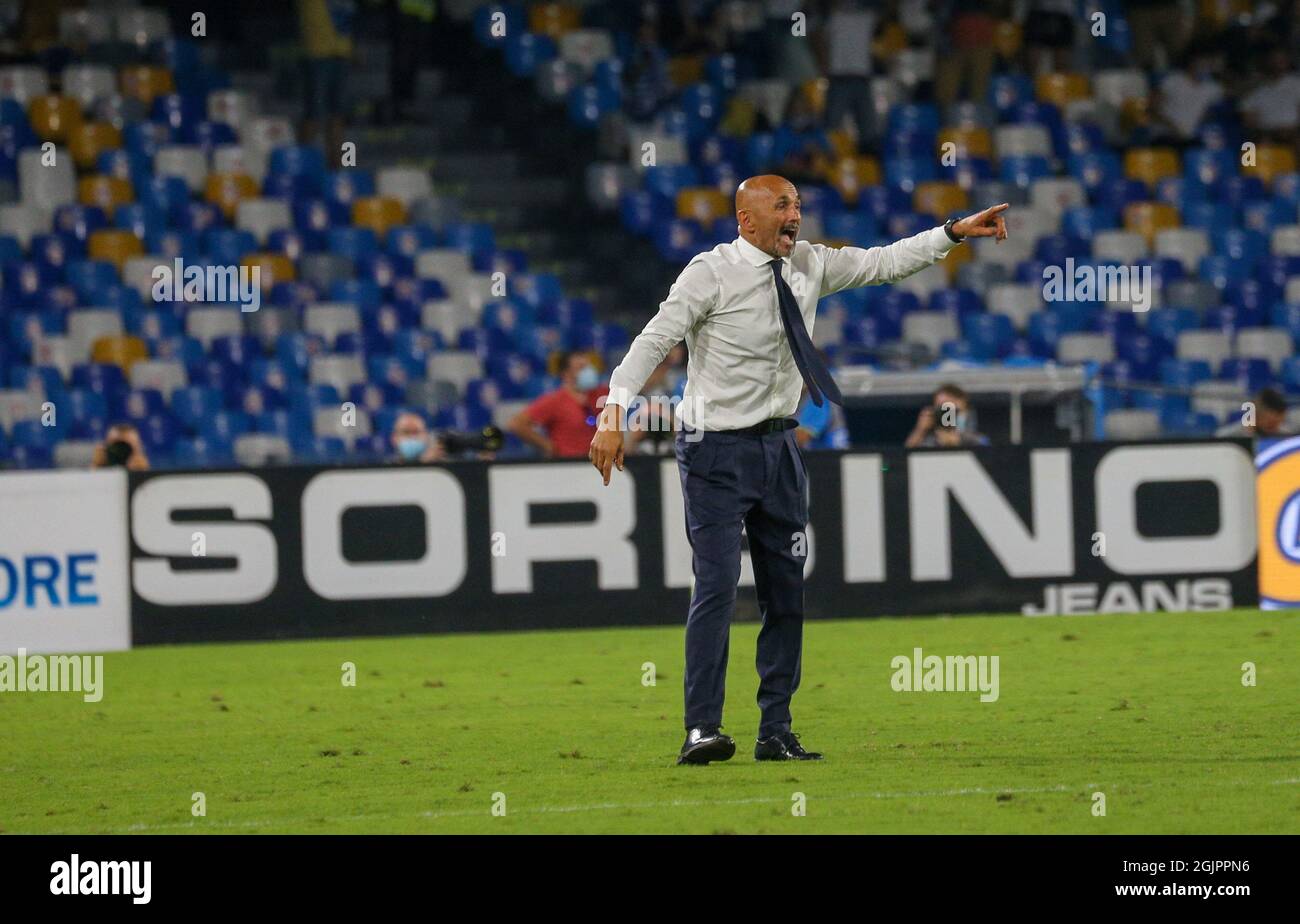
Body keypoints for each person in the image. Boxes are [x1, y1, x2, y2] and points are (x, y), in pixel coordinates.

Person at [589, 174, 1008, 765]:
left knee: (786, 594)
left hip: (779, 451)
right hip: (712, 450)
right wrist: (613, 413)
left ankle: (776, 730)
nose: (795, 215)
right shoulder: (709, 273)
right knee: (714, 588)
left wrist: (952, 232)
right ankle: (701, 728)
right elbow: (653, 341)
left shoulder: (809, 264)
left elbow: (884, 263)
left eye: (798, 205)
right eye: (782, 206)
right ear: (746, 220)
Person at [509, 351, 609, 459]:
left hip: (598, 461)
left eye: (588, 366)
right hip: (568, 462)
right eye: (581, 368)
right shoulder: (555, 401)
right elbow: (517, 424)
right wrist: (548, 446)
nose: (589, 372)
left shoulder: (600, 394)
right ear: (566, 374)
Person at [297, 0, 355, 156]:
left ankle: (341, 168)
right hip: (317, 51)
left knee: (339, 115)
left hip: (342, 51)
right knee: (314, 114)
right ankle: (302, 162)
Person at [905, 383, 989, 448]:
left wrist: (958, 440)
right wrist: (920, 429)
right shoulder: (931, 432)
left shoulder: (980, 420)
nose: (946, 412)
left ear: (962, 402)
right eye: (939, 406)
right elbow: (907, 452)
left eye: (948, 405)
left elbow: (986, 444)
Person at [1216, 387, 1294, 440]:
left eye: (1279, 423)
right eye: (1271, 424)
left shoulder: (1287, 437)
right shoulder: (1227, 438)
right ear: (1255, 414)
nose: (1275, 429)